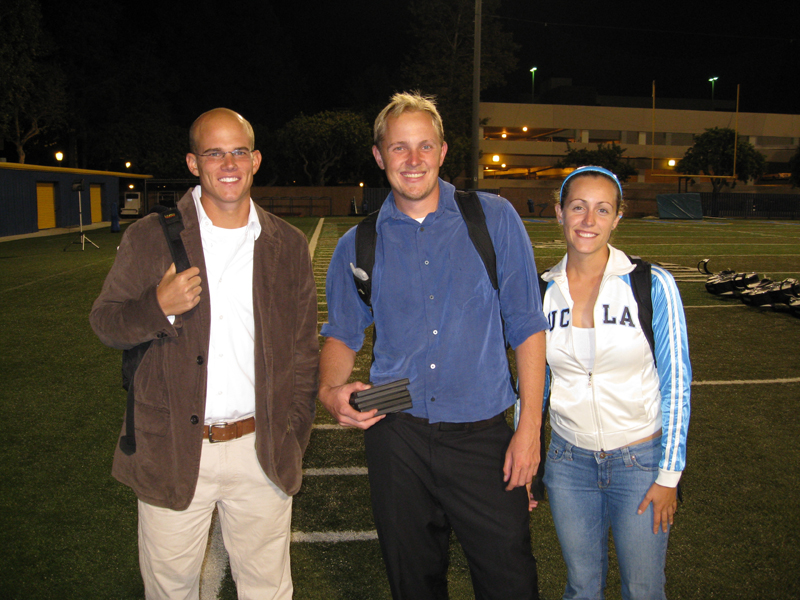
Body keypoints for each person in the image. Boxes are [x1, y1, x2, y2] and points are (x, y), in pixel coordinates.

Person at [319, 91, 549, 600]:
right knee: (413, 582)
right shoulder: (358, 243)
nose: (414, 159)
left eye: (425, 145)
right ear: (380, 157)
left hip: (482, 427)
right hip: (394, 422)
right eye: (399, 148)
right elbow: (341, 332)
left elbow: (528, 325)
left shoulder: (492, 218)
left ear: (444, 151)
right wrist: (331, 391)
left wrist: (529, 429)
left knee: (510, 579)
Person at [90, 108, 318, 600]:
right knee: (170, 590)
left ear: (255, 160)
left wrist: (293, 432)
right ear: (194, 163)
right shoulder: (151, 236)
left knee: (268, 590)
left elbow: (303, 353)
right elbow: (106, 323)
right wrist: (157, 306)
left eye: (239, 151)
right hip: (172, 447)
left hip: (261, 449)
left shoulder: (287, 244)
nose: (228, 163)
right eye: (215, 152)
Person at [540, 166, 691, 600]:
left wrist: (669, 475)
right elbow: (534, 386)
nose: (589, 221)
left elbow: (677, 383)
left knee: (643, 589)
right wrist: (529, 453)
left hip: (640, 464)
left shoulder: (651, 284)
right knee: (581, 586)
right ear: (559, 213)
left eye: (602, 210)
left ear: (617, 218)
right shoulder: (543, 291)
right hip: (568, 463)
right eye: (578, 207)